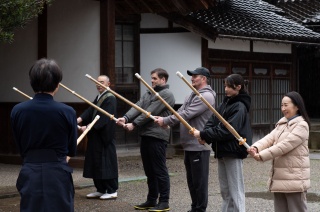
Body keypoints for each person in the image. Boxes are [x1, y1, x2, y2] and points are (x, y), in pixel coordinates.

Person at [10, 58, 78, 212]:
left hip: (30, 170)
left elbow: (20, 145)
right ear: (57, 84)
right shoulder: (67, 112)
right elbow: (72, 149)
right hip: (58, 172)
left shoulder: (18, 110)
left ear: (31, 82)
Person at [155, 67, 216, 212]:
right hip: (189, 144)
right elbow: (181, 111)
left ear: (204, 79)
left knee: (199, 182)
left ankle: (200, 209)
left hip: (199, 145)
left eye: (195, 76)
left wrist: (166, 120)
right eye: (192, 76)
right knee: (192, 181)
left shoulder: (206, 96)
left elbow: (187, 113)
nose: (192, 79)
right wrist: (167, 121)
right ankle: (194, 207)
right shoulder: (192, 94)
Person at [117, 68, 175, 212]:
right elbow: (138, 106)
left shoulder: (166, 94)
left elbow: (150, 112)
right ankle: (151, 200)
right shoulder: (149, 92)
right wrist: (125, 117)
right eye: (152, 78)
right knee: (149, 170)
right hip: (146, 135)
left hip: (157, 135)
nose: (152, 81)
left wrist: (134, 124)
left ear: (163, 80)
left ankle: (164, 201)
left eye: (155, 78)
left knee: (159, 170)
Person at [192, 73, 252, 212]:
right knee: (225, 190)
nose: (225, 89)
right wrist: (205, 135)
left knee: (236, 190)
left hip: (233, 151)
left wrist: (204, 134)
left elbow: (228, 130)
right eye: (225, 86)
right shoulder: (225, 103)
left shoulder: (240, 106)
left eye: (228, 86)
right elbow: (212, 121)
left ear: (238, 87)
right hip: (222, 150)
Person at [247, 91, 310, 212]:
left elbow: (284, 146)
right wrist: (256, 147)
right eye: (282, 105)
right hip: (280, 177)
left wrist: (261, 156)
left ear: (297, 106)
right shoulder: (282, 123)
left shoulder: (302, 125)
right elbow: (269, 138)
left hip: (294, 179)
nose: (283, 108)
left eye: (286, 105)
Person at [77, 75, 118, 200]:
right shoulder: (99, 97)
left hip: (104, 136)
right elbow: (91, 110)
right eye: (97, 82)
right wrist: (79, 119)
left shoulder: (110, 98)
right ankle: (100, 189)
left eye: (101, 82)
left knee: (106, 162)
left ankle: (111, 190)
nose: (98, 84)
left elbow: (103, 117)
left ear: (108, 84)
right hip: (95, 135)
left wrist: (88, 127)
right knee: (96, 161)